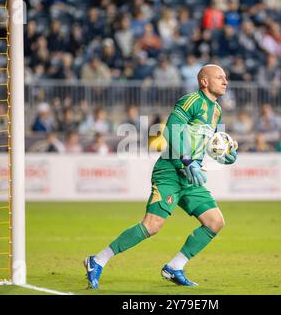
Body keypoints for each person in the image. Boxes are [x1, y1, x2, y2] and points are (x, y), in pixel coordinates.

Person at [84, 64, 238, 289]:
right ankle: (96, 260)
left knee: (215, 222)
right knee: (152, 225)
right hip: (171, 172)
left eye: (226, 77)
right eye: (220, 77)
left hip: (191, 176)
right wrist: (185, 159)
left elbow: (208, 143)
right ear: (204, 81)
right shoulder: (191, 100)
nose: (225, 81)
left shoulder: (216, 110)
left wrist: (224, 152)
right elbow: (171, 129)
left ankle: (175, 267)